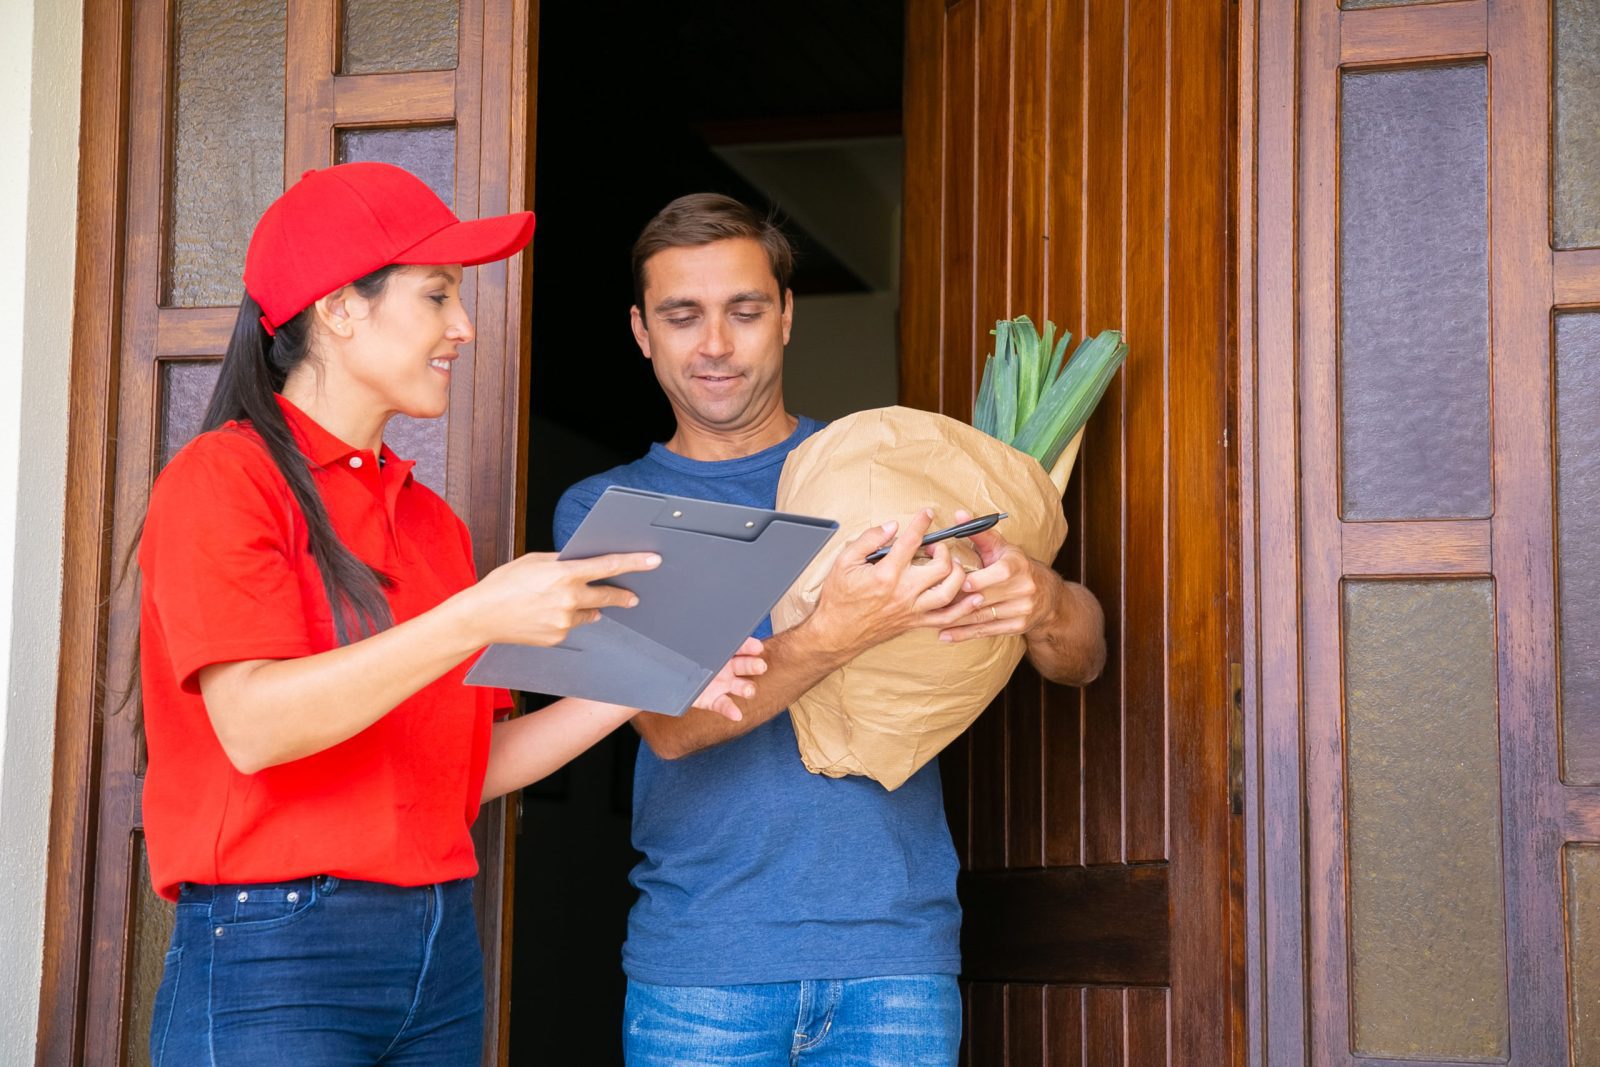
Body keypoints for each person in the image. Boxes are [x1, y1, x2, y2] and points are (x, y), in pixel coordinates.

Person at [138, 164, 763, 1066]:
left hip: (436, 950)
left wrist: (656, 674)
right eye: (437, 295)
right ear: (338, 308)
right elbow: (255, 725)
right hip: (277, 948)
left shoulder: (430, 523)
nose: (463, 326)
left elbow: (464, 775)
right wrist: (476, 616)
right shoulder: (221, 481)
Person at [555, 193, 1107, 1066]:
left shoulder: (891, 467)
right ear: (641, 331)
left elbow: (1084, 656)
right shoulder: (609, 513)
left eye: (743, 310)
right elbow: (671, 725)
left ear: (785, 317)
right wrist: (836, 630)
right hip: (705, 967)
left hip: (895, 957)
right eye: (681, 315)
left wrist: (1043, 600)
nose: (714, 343)